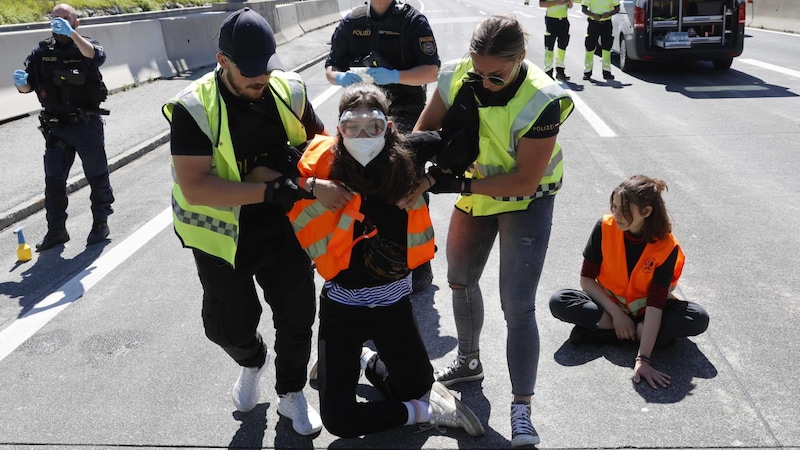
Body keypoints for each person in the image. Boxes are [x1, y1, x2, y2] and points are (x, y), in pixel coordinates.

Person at [161, 8, 347, 436]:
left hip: (282, 228)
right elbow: (196, 188)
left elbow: (319, 149)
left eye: (264, 70)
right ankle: (252, 360)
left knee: (298, 314)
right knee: (228, 326)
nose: (259, 81)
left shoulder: (289, 90)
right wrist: (271, 188)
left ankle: (291, 393)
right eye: (248, 75)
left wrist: (309, 176)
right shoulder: (194, 108)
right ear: (222, 61)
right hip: (222, 236)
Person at [280, 83, 484, 438]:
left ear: (388, 127)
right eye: (351, 126)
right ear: (339, 129)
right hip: (342, 306)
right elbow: (276, 172)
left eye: (372, 125)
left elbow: (463, 140)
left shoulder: (406, 153)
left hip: (392, 304)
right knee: (339, 421)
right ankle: (423, 411)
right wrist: (313, 186)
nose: (362, 135)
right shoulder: (326, 162)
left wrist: (430, 179)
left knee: (413, 386)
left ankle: (368, 362)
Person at [412, 14, 574, 448]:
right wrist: (416, 161)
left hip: (526, 197)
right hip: (478, 188)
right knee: (460, 279)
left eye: (496, 76)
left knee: (517, 305)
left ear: (521, 58)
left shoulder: (543, 98)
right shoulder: (458, 74)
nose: (484, 82)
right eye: (478, 72)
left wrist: (455, 182)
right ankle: (468, 361)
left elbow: (523, 180)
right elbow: (423, 130)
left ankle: (522, 409)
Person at [549, 175, 710, 389]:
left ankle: (604, 333)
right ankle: (638, 335)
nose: (616, 214)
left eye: (623, 210)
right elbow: (586, 280)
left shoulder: (665, 246)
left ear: (646, 212)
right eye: (614, 206)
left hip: (647, 311)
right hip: (609, 305)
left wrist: (643, 359)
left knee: (698, 318)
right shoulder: (604, 226)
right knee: (559, 301)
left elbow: (655, 304)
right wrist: (617, 315)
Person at [324, 0, 441, 293]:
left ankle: (419, 262)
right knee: (361, 183)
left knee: (406, 184)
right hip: (362, 115)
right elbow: (331, 64)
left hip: (403, 112)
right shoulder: (352, 21)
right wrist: (339, 77)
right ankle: (366, 252)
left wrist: (396, 77)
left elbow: (431, 70)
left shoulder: (412, 21)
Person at [13, 3, 114, 251]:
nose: (58, 22)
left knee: (97, 176)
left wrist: (71, 35)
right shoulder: (42, 51)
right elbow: (27, 87)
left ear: (75, 23)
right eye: (55, 18)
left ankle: (100, 223)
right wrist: (22, 84)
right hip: (56, 127)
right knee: (54, 181)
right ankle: (56, 230)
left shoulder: (85, 45)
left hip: (86, 124)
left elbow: (96, 56)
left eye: (65, 19)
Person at [582, 0, 620, 80]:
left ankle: (606, 72)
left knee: (607, 48)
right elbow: (584, 9)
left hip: (606, 24)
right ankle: (587, 72)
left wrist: (609, 14)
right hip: (593, 23)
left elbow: (617, 8)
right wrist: (593, 15)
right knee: (590, 47)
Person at [540, 0, 578, 81]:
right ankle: (548, 72)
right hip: (551, 21)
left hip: (563, 21)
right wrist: (557, 2)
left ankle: (560, 71)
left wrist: (568, 2)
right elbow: (542, 4)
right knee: (549, 47)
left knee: (562, 47)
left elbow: (570, 6)